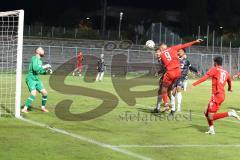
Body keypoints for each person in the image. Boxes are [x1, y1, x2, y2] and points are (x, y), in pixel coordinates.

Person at [190, 56, 240, 135]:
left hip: (217, 95)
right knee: (205, 111)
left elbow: (205, 77)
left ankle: (230, 113)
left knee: (210, 117)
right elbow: (229, 81)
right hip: (220, 95)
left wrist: (194, 84)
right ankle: (211, 130)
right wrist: (229, 89)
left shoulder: (214, 69)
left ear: (215, 63)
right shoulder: (225, 72)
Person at [155, 39, 203, 112]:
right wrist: (195, 41)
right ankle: (173, 108)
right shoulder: (173, 48)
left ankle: (167, 105)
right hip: (178, 72)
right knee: (172, 90)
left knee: (163, 89)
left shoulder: (161, 54)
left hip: (170, 73)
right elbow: (185, 45)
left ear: (161, 48)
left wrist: (159, 57)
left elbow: (163, 65)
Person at [22, 47, 52, 113]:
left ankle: (43, 107)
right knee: (33, 93)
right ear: (37, 51)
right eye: (41, 49)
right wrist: (44, 67)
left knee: (44, 93)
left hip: (37, 79)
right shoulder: (34, 58)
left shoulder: (40, 61)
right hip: (31, 78)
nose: (43, 50)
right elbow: (35, 68)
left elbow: (39, 71)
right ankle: (24, 108)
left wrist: (46, 72)